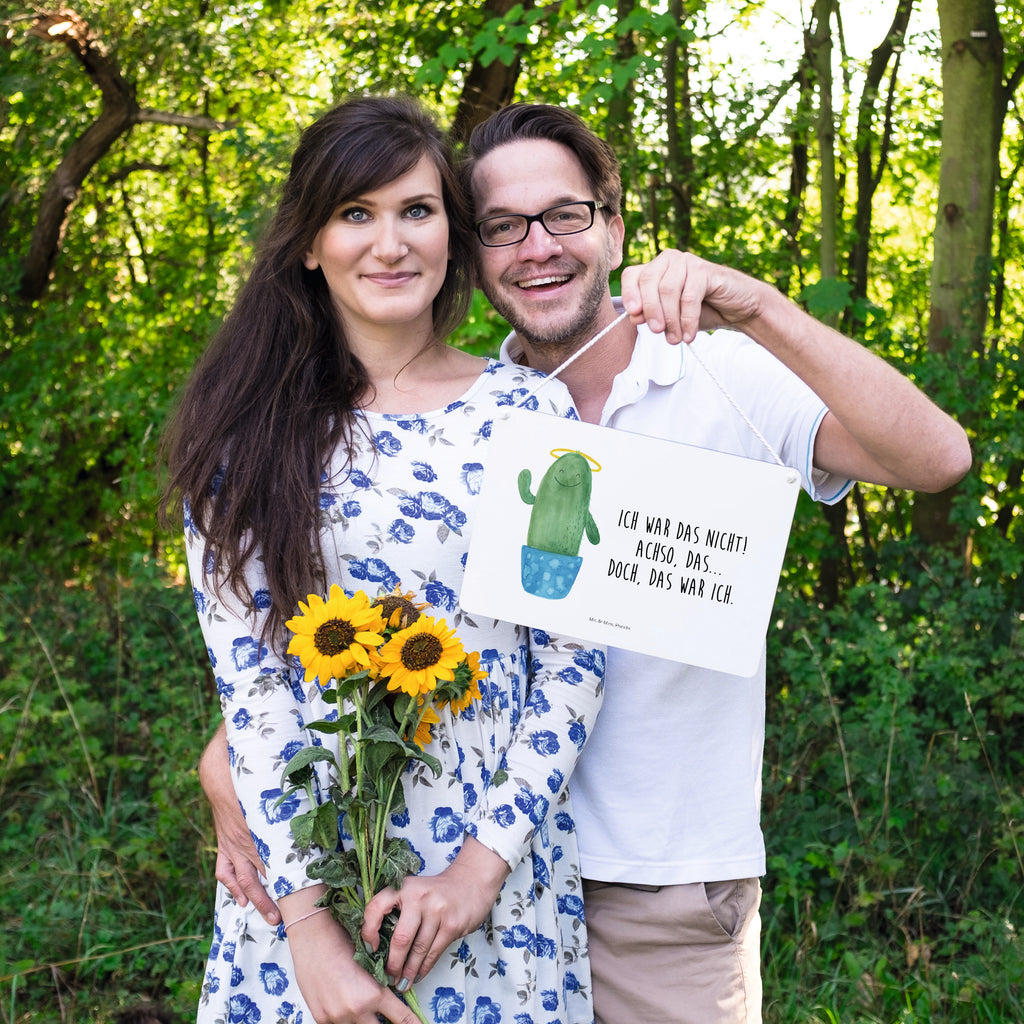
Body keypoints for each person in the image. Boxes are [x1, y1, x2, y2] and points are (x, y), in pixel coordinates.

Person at [202, 102, 972, 1024]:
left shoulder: (709, 374)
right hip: (414, 875)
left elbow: (937, 461)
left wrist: (759, 306)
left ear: (612, 225)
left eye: (565, 215)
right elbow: (322, 637)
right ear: (474, 250)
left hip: (648, 888)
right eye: (502, 226)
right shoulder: (453, 416)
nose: (537, 247)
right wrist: (235, 772)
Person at [163, 96, 608, 1024]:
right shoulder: (244, 438)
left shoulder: (533, 418)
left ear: (452, 230)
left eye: (417, 210)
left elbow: (573, 659)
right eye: (355, 214)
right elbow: (253, 691)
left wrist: (479, 873)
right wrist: (311, 937)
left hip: (492, 886)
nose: (391, 243)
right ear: (309, 244)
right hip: (302, 885)